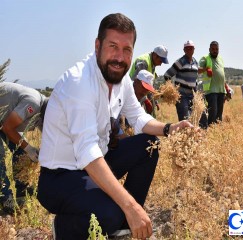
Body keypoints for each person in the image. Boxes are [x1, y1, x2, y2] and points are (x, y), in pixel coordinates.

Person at [37, 13, 193, 240]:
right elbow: (87, 152)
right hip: (60, 177)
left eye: (127, 49)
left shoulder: (122, 79)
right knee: (110, 214)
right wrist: (129, 206)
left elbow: (138, 117)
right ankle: (65, 228)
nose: (119, 57)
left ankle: (125, 222)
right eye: (113, 46)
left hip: (96, 162)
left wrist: (170, 128)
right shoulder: (79, 82)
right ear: (97, 45)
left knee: (149, 144)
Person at [0, 82, 48, 212]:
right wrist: (30, 149)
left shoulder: (45, 114)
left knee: (22, 152)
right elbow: (8, 128)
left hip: (5, 118)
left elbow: (50, 140)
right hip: (5, 121)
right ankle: (5, 199)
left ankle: (23, 189)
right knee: (0, 157)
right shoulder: (33, 103)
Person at [163, 40, 199, 122]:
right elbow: (167, 75)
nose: (189, 50)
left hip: (192, 96)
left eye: (191, 48)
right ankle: (183, 134)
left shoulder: (195, 62)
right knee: (184, 119)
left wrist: (196, 93)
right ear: (184, 50)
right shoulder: (180, 62)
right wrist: (172, 90)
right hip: (182, 96)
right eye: (187, 48)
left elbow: (195, 79)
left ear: (194, 49)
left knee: (194, 119)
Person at [129, 45, 169, 117]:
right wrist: (146, 100)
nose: (160, 64)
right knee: (133, 114)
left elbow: (148, 86)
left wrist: (154, 101)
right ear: (155, 56)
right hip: (132, 93)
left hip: (141, 93)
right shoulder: (143, 62)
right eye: (160, 61)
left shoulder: (152, 65)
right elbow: (138, 86)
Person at [198, 41, 226, 125]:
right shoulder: (205, 58)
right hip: (211, 91)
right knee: (212, 113)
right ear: (209, 49)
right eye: (213, 49)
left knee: (219, 115)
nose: (215, 51)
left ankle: (216, 133)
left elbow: (222, 74)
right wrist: (206, 69)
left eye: (216, 49)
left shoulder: (220, 59)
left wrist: (226, 87)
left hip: (221, 90)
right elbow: (197, 70)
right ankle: (210, 131)